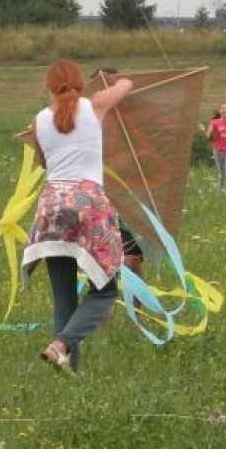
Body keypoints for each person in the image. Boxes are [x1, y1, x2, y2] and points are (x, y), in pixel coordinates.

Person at [21, 59, 134, 375]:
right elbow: (127, 85)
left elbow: (44, 162)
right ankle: (62, 346)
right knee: (106, 290)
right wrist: (111, 82)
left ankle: (68, 369)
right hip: (87, 207)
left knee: (64, 300)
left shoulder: (38, 121)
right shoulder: (95, 105)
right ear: (80, 83)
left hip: (51, 211)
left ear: (48, 87)